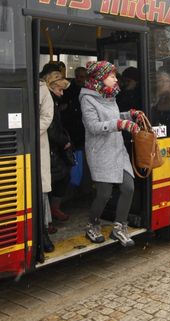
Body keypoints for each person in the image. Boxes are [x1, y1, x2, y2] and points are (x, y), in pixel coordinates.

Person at [79, 61, 143, 247]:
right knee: (104, 194)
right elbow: (93, 126)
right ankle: (92, 224)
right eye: (112, 76)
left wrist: (128, 115)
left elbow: (113, 118)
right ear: (100, 78)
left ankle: (119, 228)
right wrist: (119, 125)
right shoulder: (87, 99)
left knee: (128, 187)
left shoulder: (109, 95)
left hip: (117, 150)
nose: (116, 79)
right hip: (100, 152)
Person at [45, 71, 72, 222]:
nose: (61, 94)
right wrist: (64, 142)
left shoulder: (52, 99)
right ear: (52, 86)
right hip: (51, 149)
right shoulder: (49, 101)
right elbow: (52, 128)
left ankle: (52, 211)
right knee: (59, 178)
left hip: (52, 148)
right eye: (60, 90)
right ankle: (51, 212)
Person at [39, 73, 55, 252]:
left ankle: (43, 232)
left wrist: (27, 130)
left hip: (38, 145)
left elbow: (46, 117)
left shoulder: (43, 89)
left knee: (41, 192)